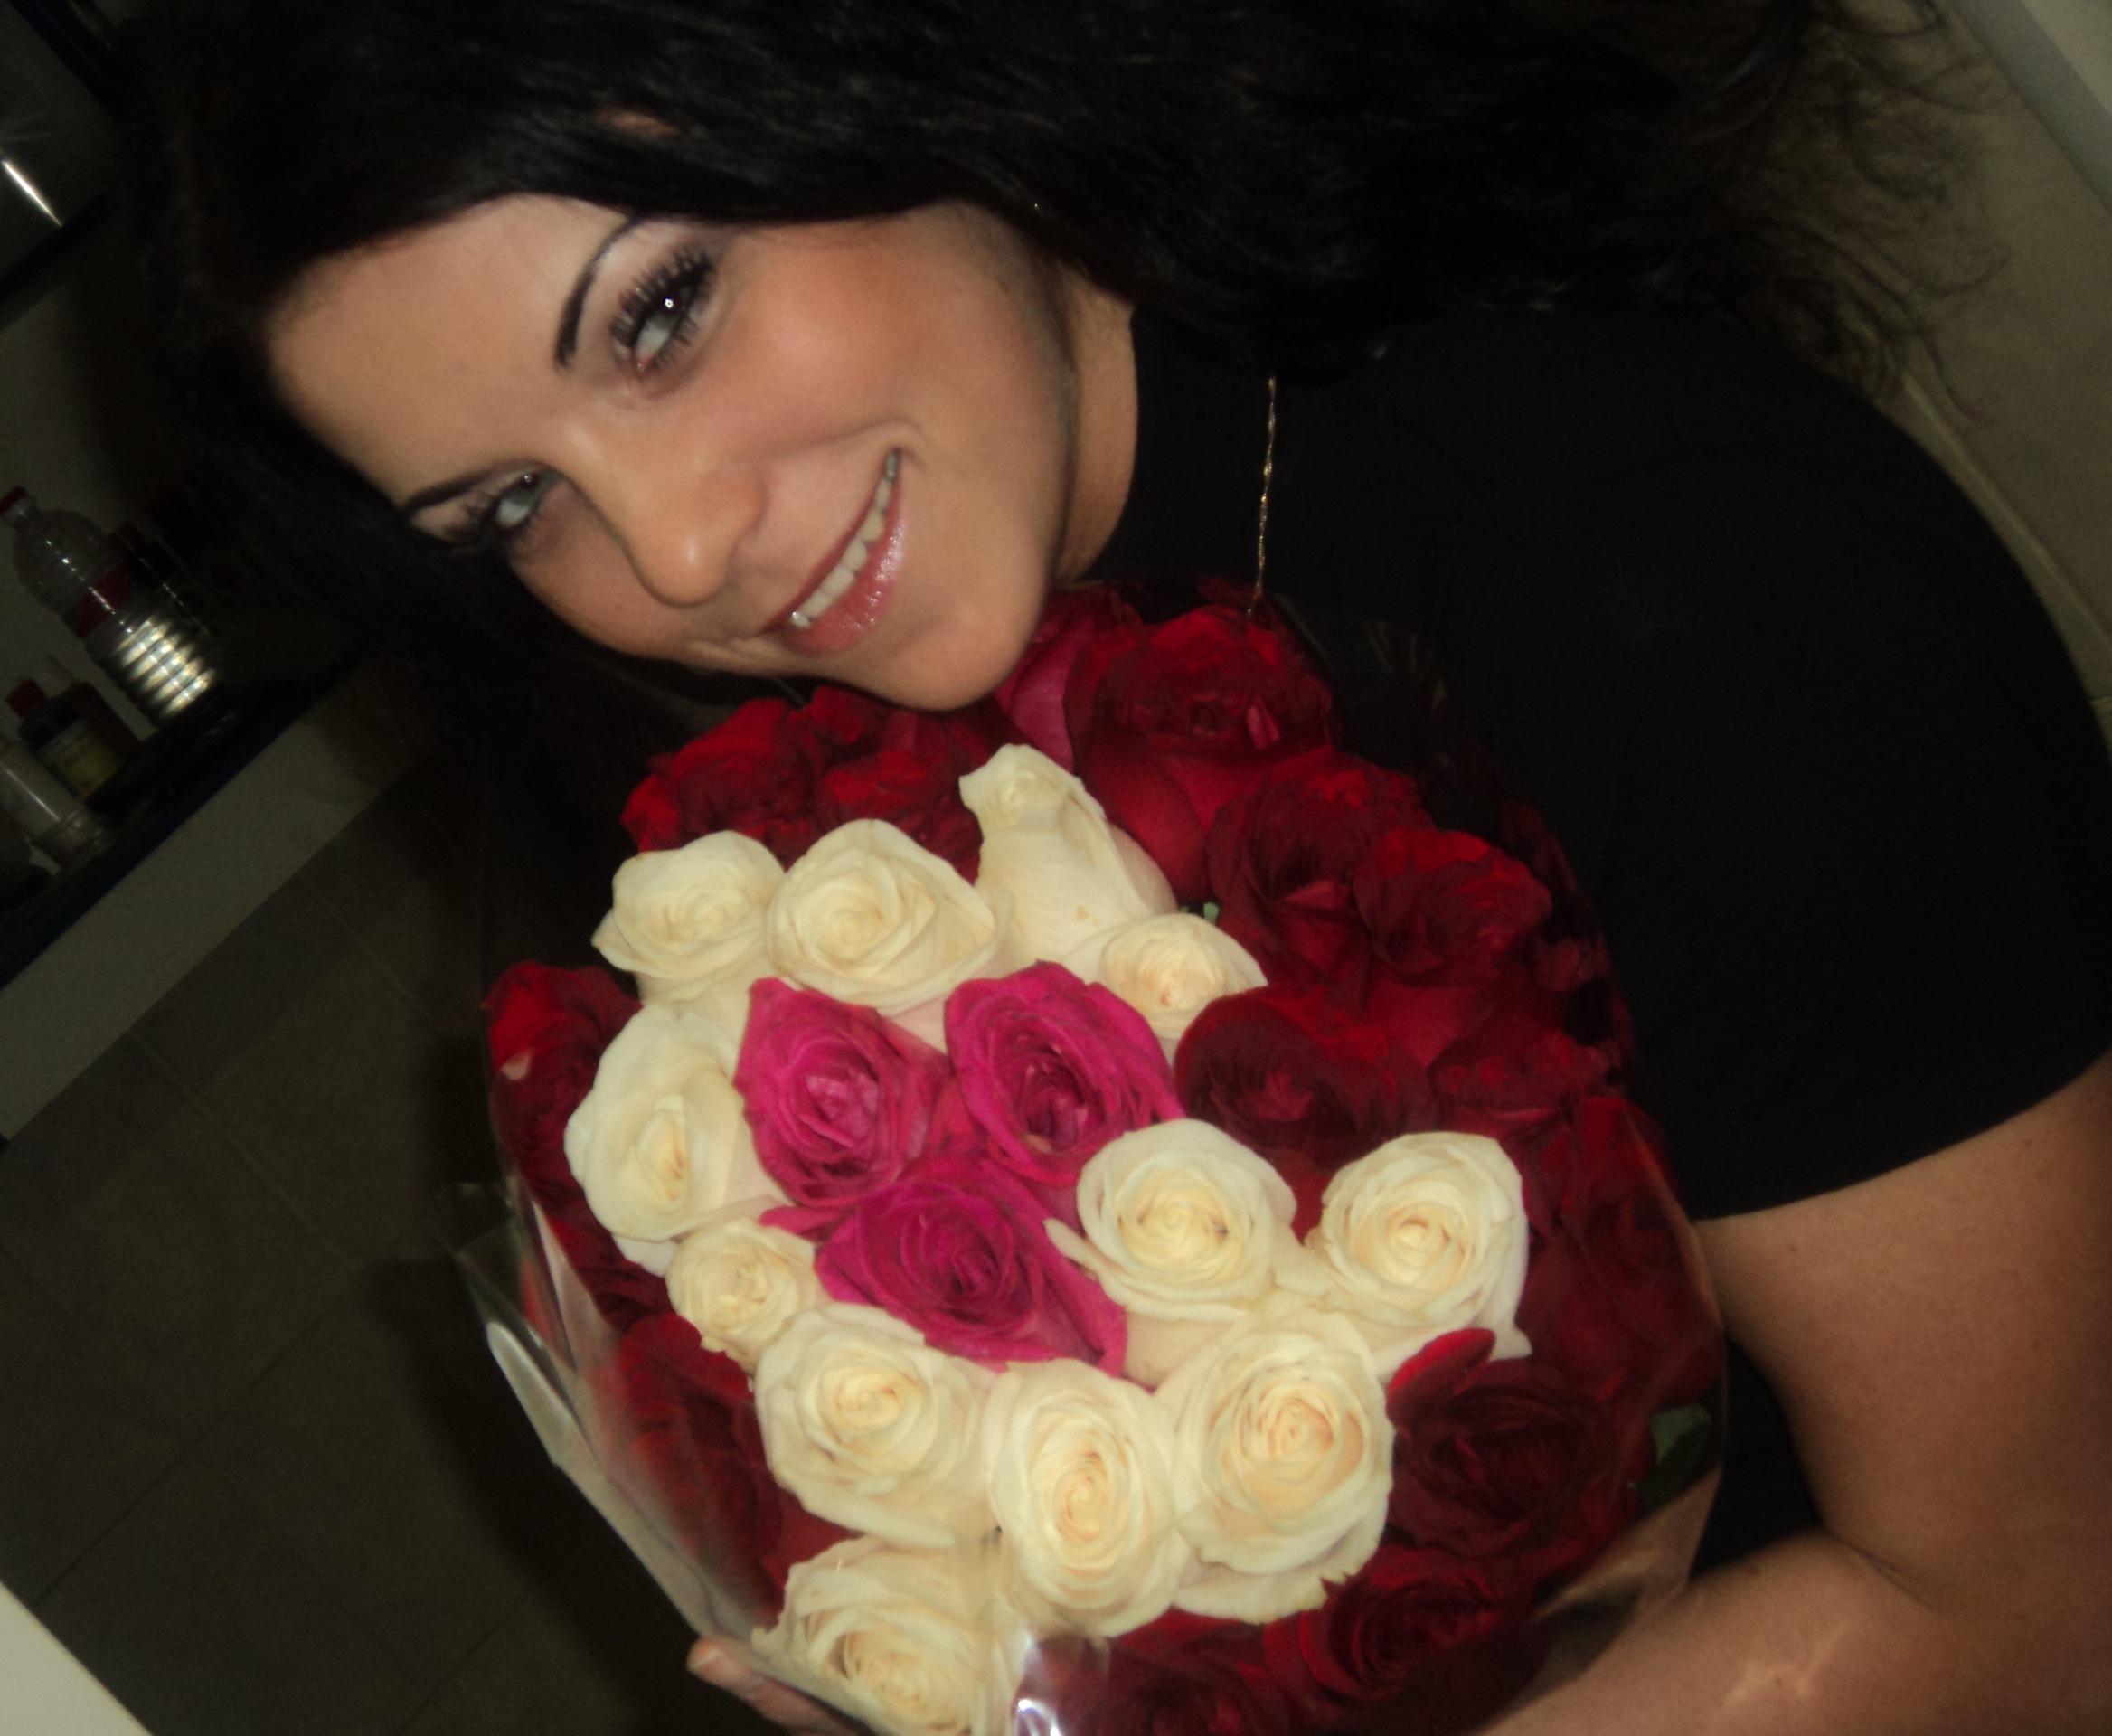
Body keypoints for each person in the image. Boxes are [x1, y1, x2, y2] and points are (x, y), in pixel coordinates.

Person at [127, 0, 2112, 1730]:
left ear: (891, 63)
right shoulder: (857, 779)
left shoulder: (1680, 583)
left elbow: (2034, 1615)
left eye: (661, 313)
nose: (671, 552)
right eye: (511, 506)